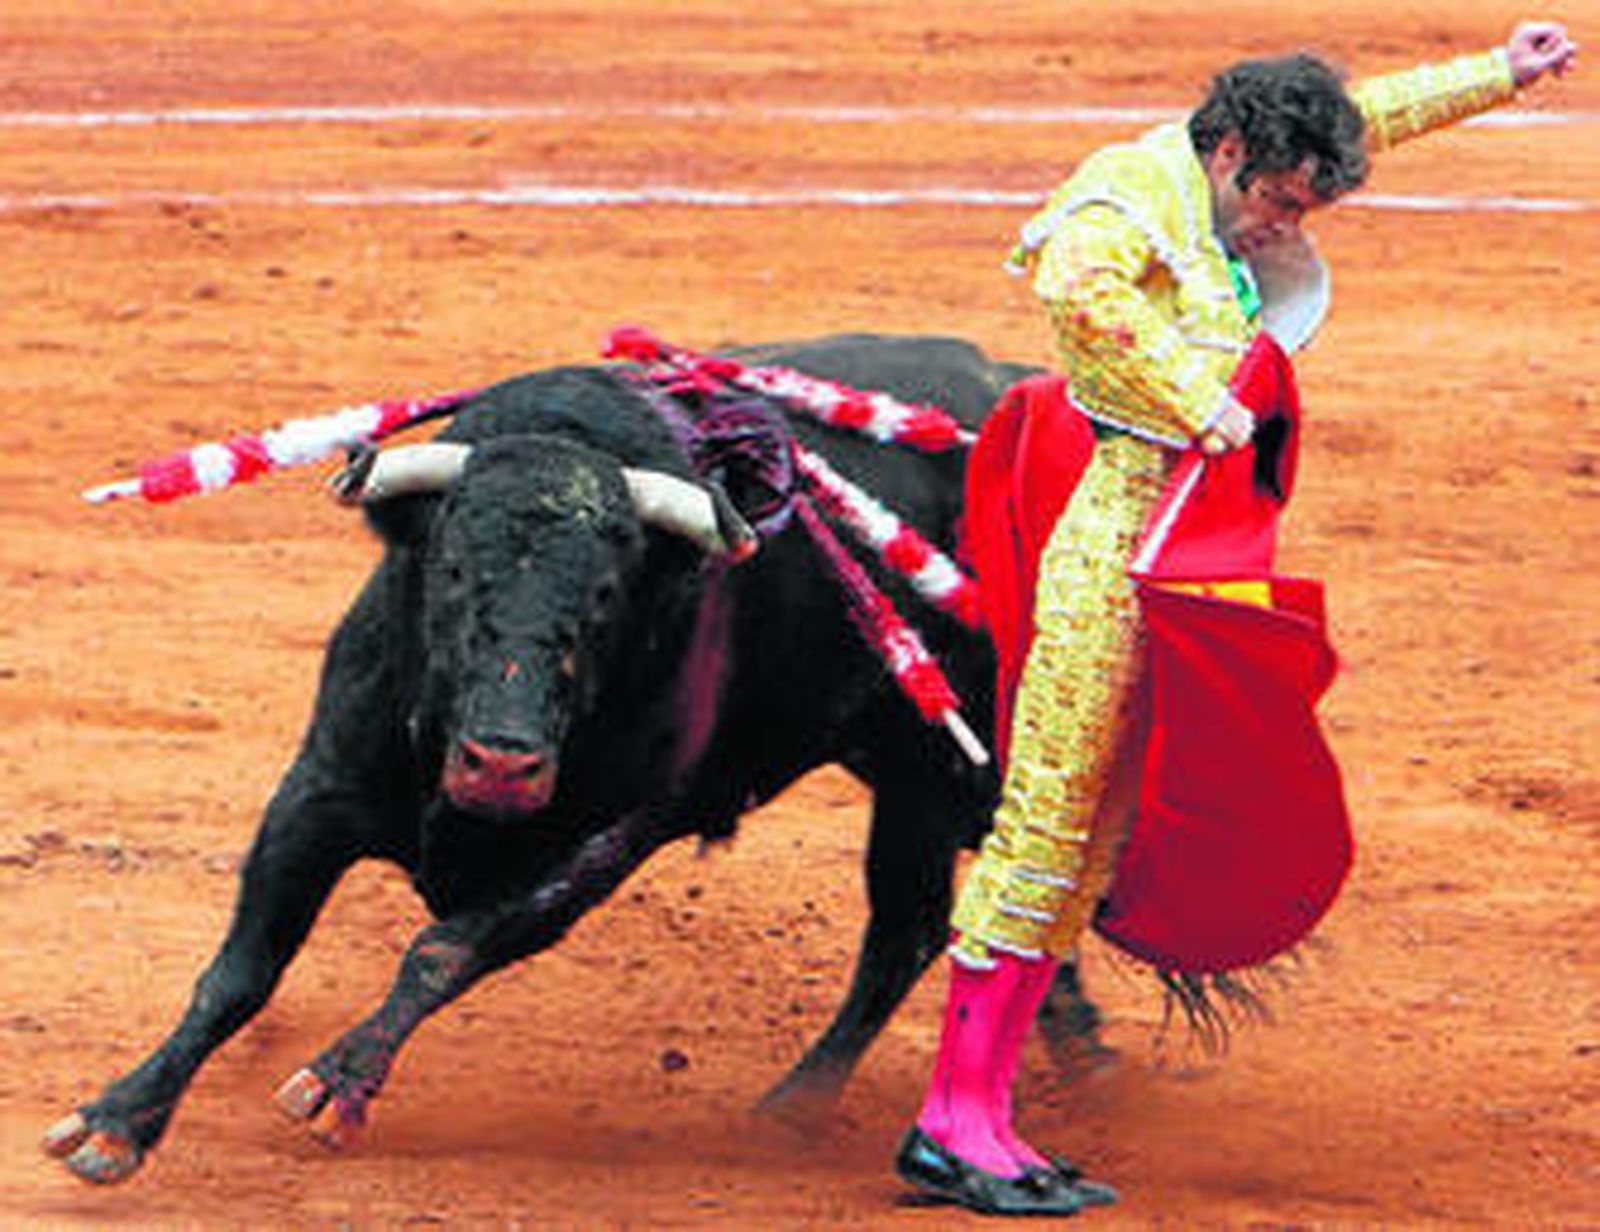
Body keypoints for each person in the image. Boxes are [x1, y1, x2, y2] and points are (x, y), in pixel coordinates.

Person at [894, 20, 1579, 1218]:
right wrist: (1198, 397)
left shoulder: (1242, 173)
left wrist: (1498, 76)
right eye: (1274, 201)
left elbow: (1367, 120)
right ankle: (952, 1122)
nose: (1282, 228)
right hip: (1110, 548)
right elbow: (1078, 289)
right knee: (1043, 830)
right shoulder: (1130, 184)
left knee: (1091, 838)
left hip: (1186, 551)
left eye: (1304, 211)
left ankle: (981, 1115)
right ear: (1223, 153)